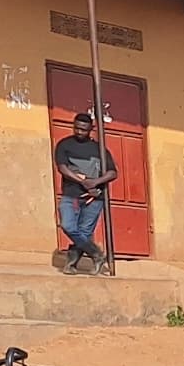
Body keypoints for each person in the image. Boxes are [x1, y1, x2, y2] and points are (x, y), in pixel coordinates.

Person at [52, 111, 116, 275]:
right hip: (71, 195)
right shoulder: (64, 145)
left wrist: (95, 183)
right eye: (77, 128)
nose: (79, 132)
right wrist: (83, 182)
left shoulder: (99, 149)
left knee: (85, 232)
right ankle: (96, 254)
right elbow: (63, 168)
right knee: (68, 225)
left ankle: (71, 265)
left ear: (91, 129)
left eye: (84, 129)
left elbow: (112, 172)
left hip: (94, 198)